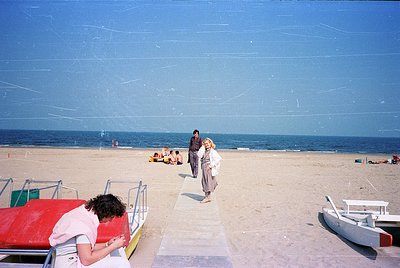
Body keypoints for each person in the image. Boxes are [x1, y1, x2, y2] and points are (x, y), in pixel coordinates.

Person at [49, 194, 130, 268]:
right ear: (106, 213)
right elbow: (87, 260)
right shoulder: (83, 225)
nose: (111, 220)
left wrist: (107, 244)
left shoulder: (81, 214)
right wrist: (113, 246)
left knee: (118, 250)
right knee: (122, 263)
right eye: (111, 217)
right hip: (70, 264)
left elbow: (84, 247)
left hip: (70, 259)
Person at [197, 138, 222, 203]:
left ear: (210, 144)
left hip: (208, 168)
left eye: (207, 143)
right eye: (205, 144)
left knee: (208, 182)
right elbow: (199, 155)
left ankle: (207, 197)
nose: (206, 145)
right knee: (204, 181)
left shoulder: (213, 151)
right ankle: (207, 196)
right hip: (204, 167)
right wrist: (202, 146)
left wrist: (211, 165)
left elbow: (217, 159)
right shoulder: (204, 150)